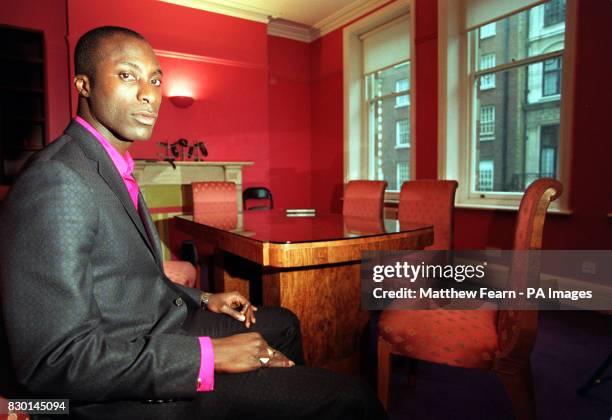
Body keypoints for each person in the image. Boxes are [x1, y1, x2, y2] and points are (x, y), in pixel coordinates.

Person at [0, 26, 387, 419]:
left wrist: (205, 298)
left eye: (155, 80)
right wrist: (208, 355)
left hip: (155, 328)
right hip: (120, 388)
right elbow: (51, 361)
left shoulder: (110, 167)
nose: (149, 94)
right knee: (351, 398)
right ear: (84, 84)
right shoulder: (57, 179)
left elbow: (132, 281)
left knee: (284, 322)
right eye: (127, 75)